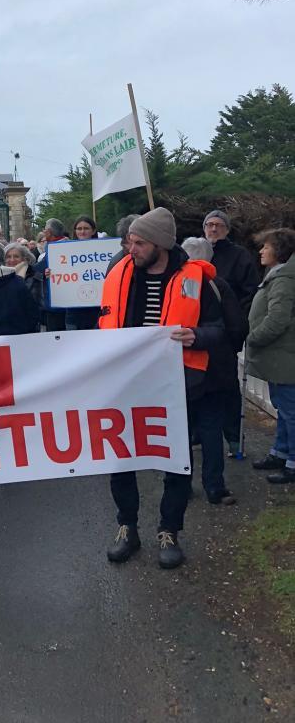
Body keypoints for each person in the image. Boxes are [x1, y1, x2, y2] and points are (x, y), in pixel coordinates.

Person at [99, 207, 223, 569]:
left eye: (138, 243)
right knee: (122, 459)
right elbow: (103, 320)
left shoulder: (197, 280)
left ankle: (169, 530)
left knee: (177, 461)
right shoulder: (119, 271)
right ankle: (127, 526)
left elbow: (223, 330)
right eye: (129, 242)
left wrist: (196, 335)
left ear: (161, 245)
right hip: (126, 382)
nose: (130, 249)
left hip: (177, 385)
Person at [181, 237, 246, 505]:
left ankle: (182, 485)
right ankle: (215, 486)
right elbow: (237, 326)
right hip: (217, 367)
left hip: (184, 367)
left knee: (183, 429)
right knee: (211, 427)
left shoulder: (179, 286)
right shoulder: (219, 285)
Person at [202, 209, 260, 456]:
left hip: (226, 334)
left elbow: (250, 292)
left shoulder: (239, 256)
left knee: (228, 389)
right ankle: (199, 434)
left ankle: (234, 438)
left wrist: (237, 321)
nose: (213, 229)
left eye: (218, 225)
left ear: (226, 229)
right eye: (209, 225)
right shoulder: (195, 253)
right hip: (199, 335)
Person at [248, 228, 295, 485]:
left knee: (290, 411)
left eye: (266, 246)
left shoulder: (285, 279)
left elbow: (278, 319)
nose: (261, 251)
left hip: (285, 358)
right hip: (280, 357)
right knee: (283, 407)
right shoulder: (279, 275)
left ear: (279, 249)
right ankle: (281, 452)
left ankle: (292, 462)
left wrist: (253, 337)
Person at [65, 216, 101, 331]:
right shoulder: (65, 250)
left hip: (97, 309)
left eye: (86, 228)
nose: (82, 231)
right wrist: (50, 273)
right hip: (73, 310)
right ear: (75, 231)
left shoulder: (103, 250)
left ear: (93, 230)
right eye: (79, 228)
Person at [34, 218, 68, 333]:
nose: (43, 232)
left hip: (58, 303)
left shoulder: (58, 248)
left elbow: (37, 270)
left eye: (44, 230)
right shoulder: (56, 246)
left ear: (49, 232)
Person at [4, 242, 43, 311]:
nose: (12, 260)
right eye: (8, 257)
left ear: (24, 259)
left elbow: (35, 303)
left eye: (16, 256)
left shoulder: (34, 277)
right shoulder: (0, 276)